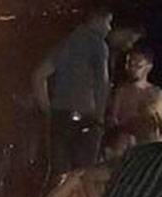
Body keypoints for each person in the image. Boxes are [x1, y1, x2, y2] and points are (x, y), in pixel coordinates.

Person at [32, 6, 113, 176]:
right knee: (83, 174)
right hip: (86, 118)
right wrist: (100, 117)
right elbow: (102, 83)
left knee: (60, 174)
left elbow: (39, 75)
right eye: (108, 22)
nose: (109, 28)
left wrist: (48, 110)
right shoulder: (98, 44)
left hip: (60, 117)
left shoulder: (66, 43)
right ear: (97, 20)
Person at [22, 128, 135, 197]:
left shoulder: (130, 191)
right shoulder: (78, 180)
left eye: (134, 151)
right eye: (126, 149)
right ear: (108, 152)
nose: (131, 157)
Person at [106, 44, 162, 143]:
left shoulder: (157, 93)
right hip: (126, 144)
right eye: (129, 63)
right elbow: (112, 121)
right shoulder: (121, 91)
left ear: (148, 67)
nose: (132, 68)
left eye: (138, 65)